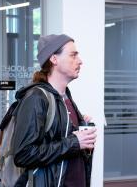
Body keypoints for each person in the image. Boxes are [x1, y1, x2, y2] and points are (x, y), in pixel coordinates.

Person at [12, 34, 97, 186]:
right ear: (54, 59)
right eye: (73, 55)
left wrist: (81, 126)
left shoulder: (66, 97)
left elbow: (61, 137)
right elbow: (23, 154)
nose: (80, 61)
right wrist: (74, 142)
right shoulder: (36, 98)